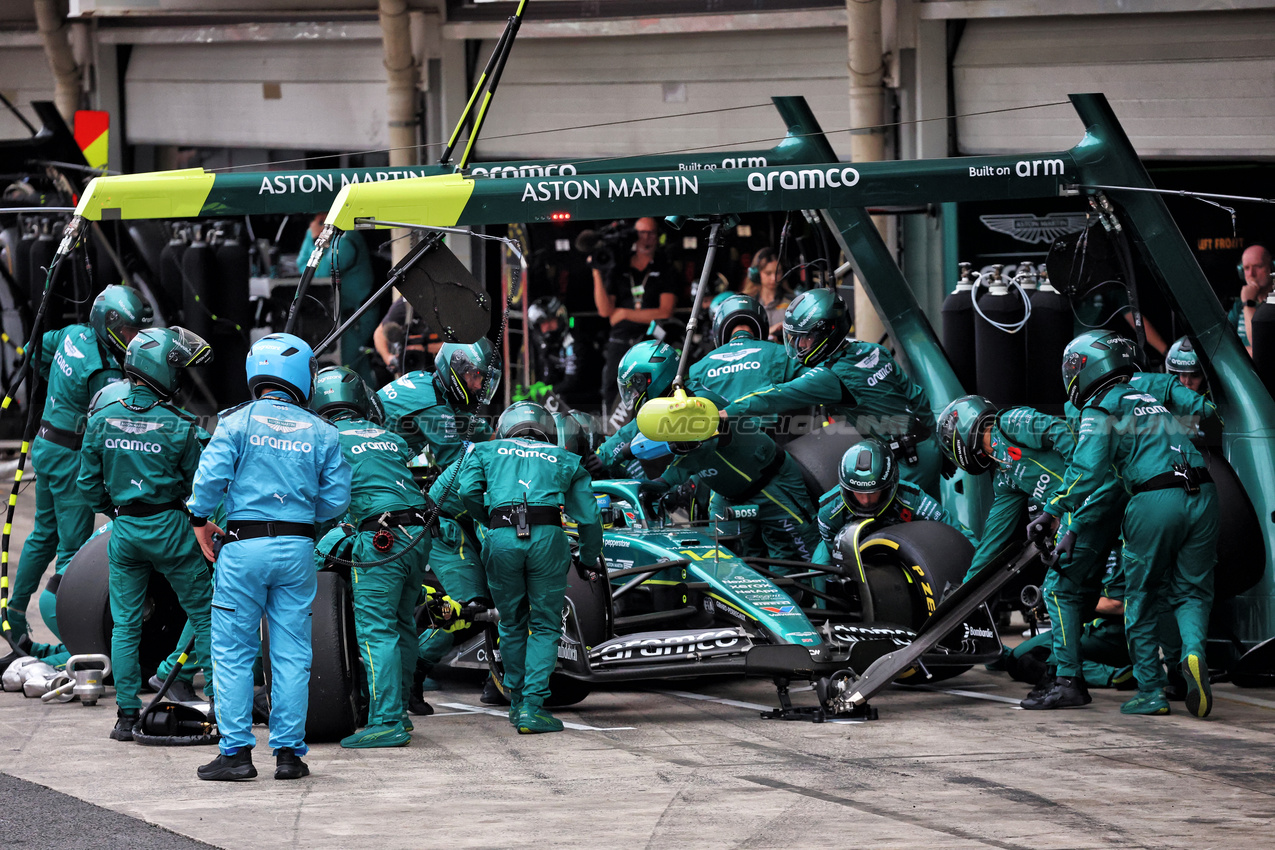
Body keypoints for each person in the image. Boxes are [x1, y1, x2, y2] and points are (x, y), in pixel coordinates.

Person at [1031, 330, 1219, 718]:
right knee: (1192, 591)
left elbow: (1088, 470)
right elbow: (1205, 416)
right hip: (1204, 492)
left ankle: (1150, 692)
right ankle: (1194, 654)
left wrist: (1053, 511)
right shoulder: (1149, 398)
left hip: (1155, 499)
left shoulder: (1100, 407)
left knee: (1143, 597)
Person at [189, 332, 351, 781]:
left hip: (243, 547)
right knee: (292, 654)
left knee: (234, 652)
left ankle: (237, 754)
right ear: (302, 376)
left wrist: (200, 518)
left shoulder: (235, 421)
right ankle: (289, 756)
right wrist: (298, 515)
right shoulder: (324, 431)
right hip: (298, 549)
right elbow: (336, 501)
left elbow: (209, 480)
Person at [937, 394, 1127, 710]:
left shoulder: (1010, 422)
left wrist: (1079, 488)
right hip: (1079, 514)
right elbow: (993, 542)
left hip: (1096, 499)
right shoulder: (1004, 474)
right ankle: (1061, 675)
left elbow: (1065, 435)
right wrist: (963, 598)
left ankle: (1068, 681)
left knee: (1057, 591)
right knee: (1069, 596)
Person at [77, 327, 215, 741]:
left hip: (125, 532)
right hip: (171, 529)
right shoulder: (181, 426)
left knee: (125, 626)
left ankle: (125, 717)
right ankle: (224, 710)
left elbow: (88, 487)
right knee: (207, 615)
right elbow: (198, 490)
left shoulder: (100, 419)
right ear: (160, 369)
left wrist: (120, 512)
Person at [6, 285, 151, 650]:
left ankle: (14, 615)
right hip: (70, 459)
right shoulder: (104, 370)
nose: (132, 340)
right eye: (127, 332)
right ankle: (75, 640)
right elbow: (116, 421)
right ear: (108, 324)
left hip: (45, 445)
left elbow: (32, 350)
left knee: (43, 534)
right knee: (73, 552)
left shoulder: (71, 335)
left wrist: (57, 388)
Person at [451, 401, 601, 733]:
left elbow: (467, 491)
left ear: (506, 427)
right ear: (548, 431)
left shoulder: (484, 450)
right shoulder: (566, 458)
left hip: (501, 536)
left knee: (511, 622)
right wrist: (589, 559)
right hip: (547, 537)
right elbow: (590, 519)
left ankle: (517, 702)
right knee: (545, 625)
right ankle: (533, 708)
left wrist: (491, 520)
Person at [610, 341, 822, 563]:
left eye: (634, 387)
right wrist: (609, 456)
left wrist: (665, 480)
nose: (634, 395)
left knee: (803, 559)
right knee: (722, 565)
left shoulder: (697, 401)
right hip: (726, 495)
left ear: (651, 377)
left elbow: (700, 451)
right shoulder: (669, 407)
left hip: (770, 484)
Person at [724, 288, 943, 499]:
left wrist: (728, 412)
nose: (800, 345)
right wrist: (937, 448)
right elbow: (918, 398)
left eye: (806, 337)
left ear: (827, 331)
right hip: (925, 446)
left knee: (847, 515)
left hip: (905, 462)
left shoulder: (831, 376)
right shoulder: (874, 350)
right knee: (934, 521)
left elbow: (775, 396)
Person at [312, 366, 432, 749]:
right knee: (402, 625)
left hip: (381, 539)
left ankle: (386, 722)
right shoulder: (390, 436)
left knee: (376, 630)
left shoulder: (323, 437)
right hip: (419, 535)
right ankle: (399, 713)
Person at [816, 440, 973, 553]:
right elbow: (836, 557)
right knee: (820, 562)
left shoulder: (912, 497)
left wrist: (981, 560)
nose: (865, 501)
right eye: (858, 493)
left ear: (889, 485)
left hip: (903, 547)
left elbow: (953, 528)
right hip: (855, 553)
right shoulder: (828, 512)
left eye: (873, 493)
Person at [687, 293, 805, 439]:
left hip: (720, 442)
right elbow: (818, 380)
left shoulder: (698, 368)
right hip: (770, 439)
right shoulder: (780, 352)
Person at [592, 217, 678, 411]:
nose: (646, 238)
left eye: (651, 233)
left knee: (654, 391)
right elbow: (605, 310)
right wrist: (597, 272)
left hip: (650, 343)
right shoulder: (619, 266)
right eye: (641, 233)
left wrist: (624, 313)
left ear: (657, 236)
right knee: (612, 392)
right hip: (620, 341)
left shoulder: (664, 267)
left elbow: (665, 311)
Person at [298, 213, 377, 383]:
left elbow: (319, 273)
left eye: (321, 217)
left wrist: (314, 238)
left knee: (348, 369)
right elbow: (301, 265)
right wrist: (311, 235)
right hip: (345, 316)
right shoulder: (330, 235)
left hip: (358, 316)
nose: (318, 220)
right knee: (356, 368)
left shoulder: (347, 238)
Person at [521, 296, 580, 408]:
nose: (546, 327)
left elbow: (573, 381)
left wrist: (549, 390)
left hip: (584, 400)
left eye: (550, 320)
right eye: (542, 323)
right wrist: (541, 386)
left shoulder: (574, 341)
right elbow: (550, 373)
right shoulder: (546, 346)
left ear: (560, 319)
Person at [373, 296, 442, 378]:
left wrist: (425, 348)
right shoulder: (403, 307)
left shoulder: (442, 308)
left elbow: (455, 343)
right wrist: (389, 358)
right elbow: (379, 333)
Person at [1227, 244, 1272, 355]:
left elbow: (1261, 348)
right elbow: (1223, 345)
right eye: (1246, 268)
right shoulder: (1239, 305)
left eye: (1257, 266)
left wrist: (1248, 303)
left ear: (1271, 268)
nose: (1251, 274)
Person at [741, 247, 792, 340]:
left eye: (778, 272)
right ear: (756, 274)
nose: (774, 278)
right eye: (768, 273)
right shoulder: (746, 303)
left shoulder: (792, 302)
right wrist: (769, 332)